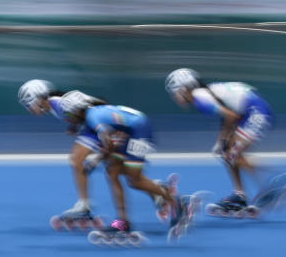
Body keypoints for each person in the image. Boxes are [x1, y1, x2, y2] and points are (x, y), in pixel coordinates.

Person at [57, 91, 192, 241]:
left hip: (140, 129)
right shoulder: (93, 113)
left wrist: (96, 159)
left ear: (78, 110)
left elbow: (108, 142)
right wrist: (100, 157)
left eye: (69, 115)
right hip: (129, 130)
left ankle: (176, 201)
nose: (68, 119)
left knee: (134, 181)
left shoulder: (92, 117)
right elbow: (112, 140)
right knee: (112, 172)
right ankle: (123, 221)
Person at [164, 68, 275, 215]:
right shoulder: (204, 93)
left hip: (255, 111)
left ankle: (272, 185)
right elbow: (228, 114)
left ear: (185, 88)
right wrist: (221, 141)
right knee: (227, 153)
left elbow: (231, 116)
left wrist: (223, 140)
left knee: (231, 154)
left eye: (175, 92)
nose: (175, 97)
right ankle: (239, 196)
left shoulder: (200, 99)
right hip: (251, 109)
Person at [17, 79, 107, 227]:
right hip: (92, 126)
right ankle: (84, 204)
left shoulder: (60, 104)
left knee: (118, 167)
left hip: (103, 124)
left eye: (29, 104)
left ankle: (154, 191)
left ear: (40, 98)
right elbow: (83, 111)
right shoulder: (53, 105)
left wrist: (102, 149)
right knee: (76, 160)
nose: (28, 109)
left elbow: (97, 109)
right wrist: (74, 124)